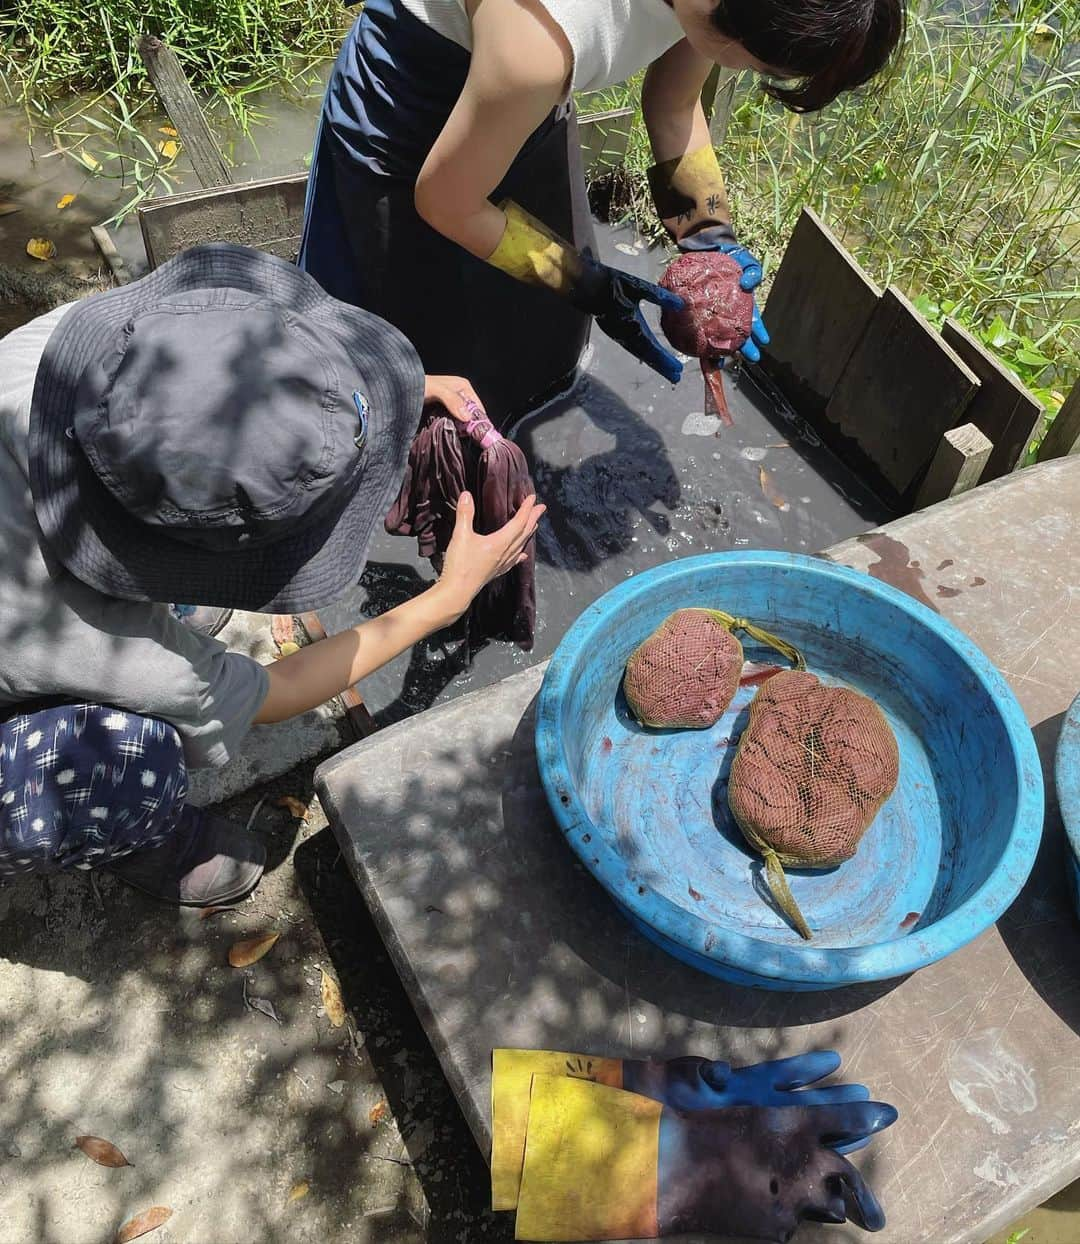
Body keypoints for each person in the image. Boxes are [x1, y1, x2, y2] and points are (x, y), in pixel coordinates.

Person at [0, 243, 543, 906]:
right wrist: (445, 600)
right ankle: (153, 844)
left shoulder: (59, 354)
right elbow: (274, 694)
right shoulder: (122, 655)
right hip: (28, 656)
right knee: (125, 757)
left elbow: (207, 404)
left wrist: (380, 400)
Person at [298, 0, 905, 419]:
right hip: (410, 106)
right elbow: (446, 200)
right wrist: (580, 279)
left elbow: (674, 102)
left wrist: (706, 227)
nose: (749, 71)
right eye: (765, 64)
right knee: (403, 337)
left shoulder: (715, 13)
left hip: (524, 106)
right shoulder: (542, 38)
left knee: (535, 322)